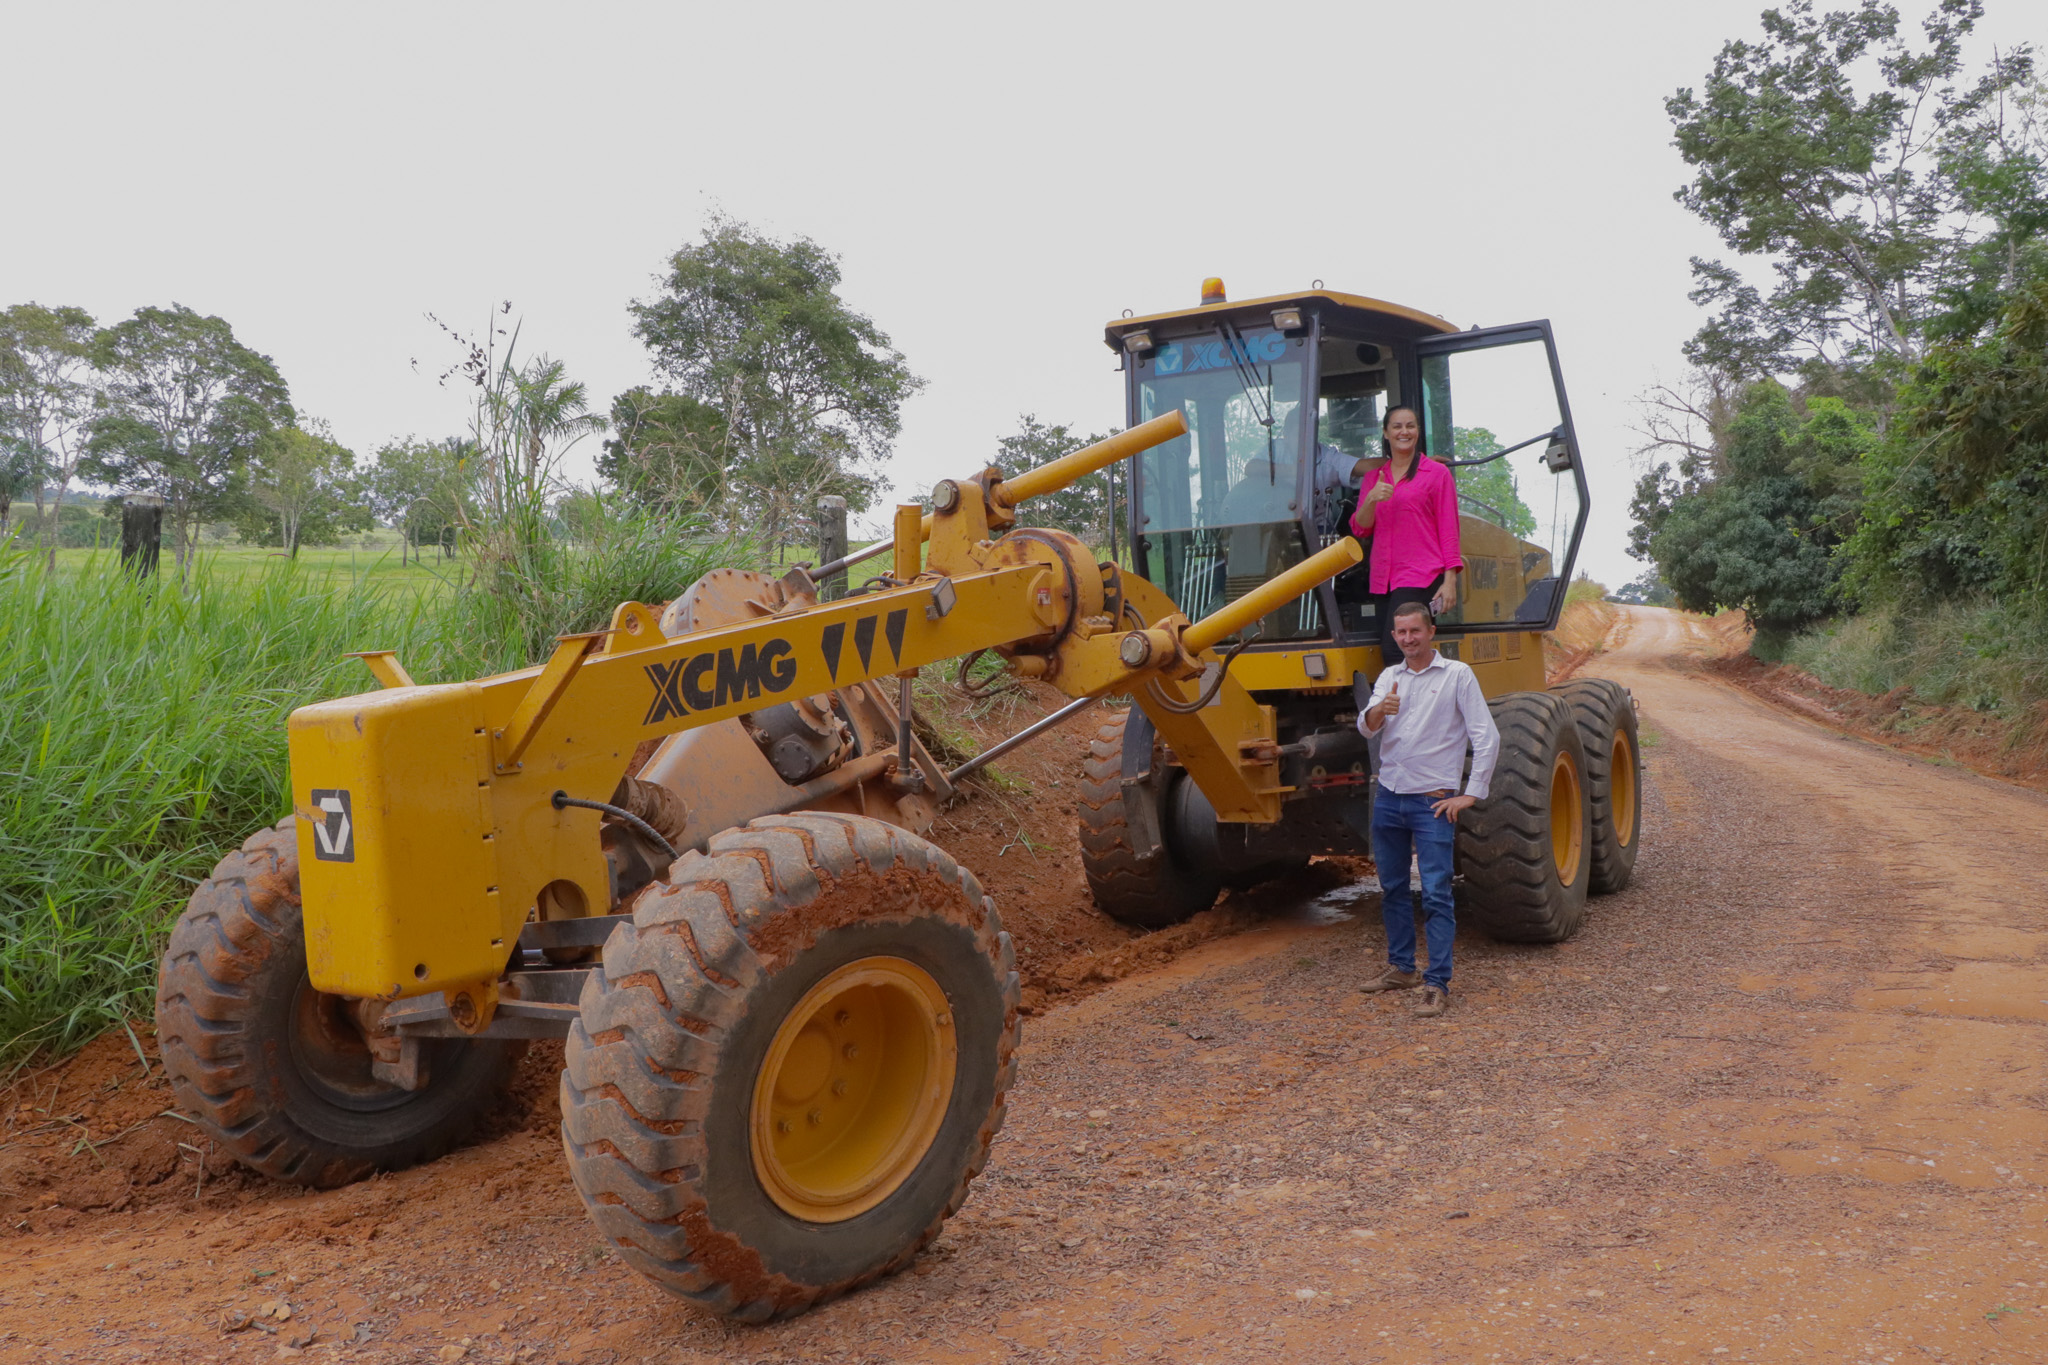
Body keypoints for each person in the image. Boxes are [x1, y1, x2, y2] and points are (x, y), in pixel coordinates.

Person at [1354, 600, 1500, 1018]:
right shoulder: (1389, 676)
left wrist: (1470, 794)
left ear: (1431, 632)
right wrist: (1380, 709)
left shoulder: (1457, 675)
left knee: (1436, 893)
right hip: (1390, 796)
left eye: (1414, 631)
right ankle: (1402, 968)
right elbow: (1366, 726)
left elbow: (1486, 736)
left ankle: (1437, 982)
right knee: (1393, 889)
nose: (1407, 639)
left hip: (1433, 802)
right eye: (1400, 632)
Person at [1349, 406, 1463, 666]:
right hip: (1383, 577)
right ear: (1386, 433)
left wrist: (1450, 581)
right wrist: (1370, 499)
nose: (1404, 431)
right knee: (1393, 652)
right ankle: (1411, 703)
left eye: (1410, 426)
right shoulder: (1373, 478)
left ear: (1418, 432)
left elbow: (1449, 529)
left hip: (1421, 574)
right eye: (1397, 426)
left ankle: (1408, 706)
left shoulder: (1436, 474)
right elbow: (1362, 528)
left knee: (1397, 649)